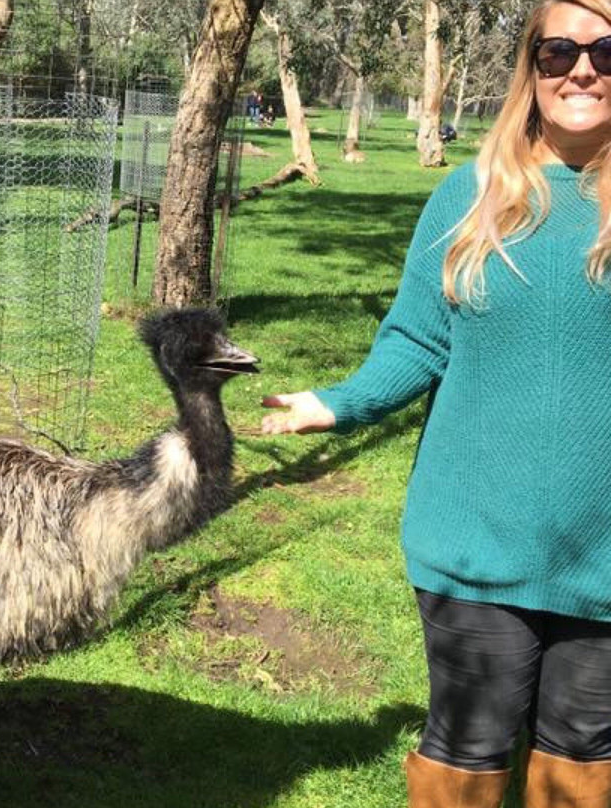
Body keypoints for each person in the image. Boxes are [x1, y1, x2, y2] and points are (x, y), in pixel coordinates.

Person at [261, 1, 611, 805]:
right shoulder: (471, 193)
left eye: (606, 51)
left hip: (605, 557)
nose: (582, 70)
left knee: (586, 756)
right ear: (532, 68)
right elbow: (420, 339)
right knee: (468, 751)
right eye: (559, 53)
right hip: (474, 543)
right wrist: (341, 403)